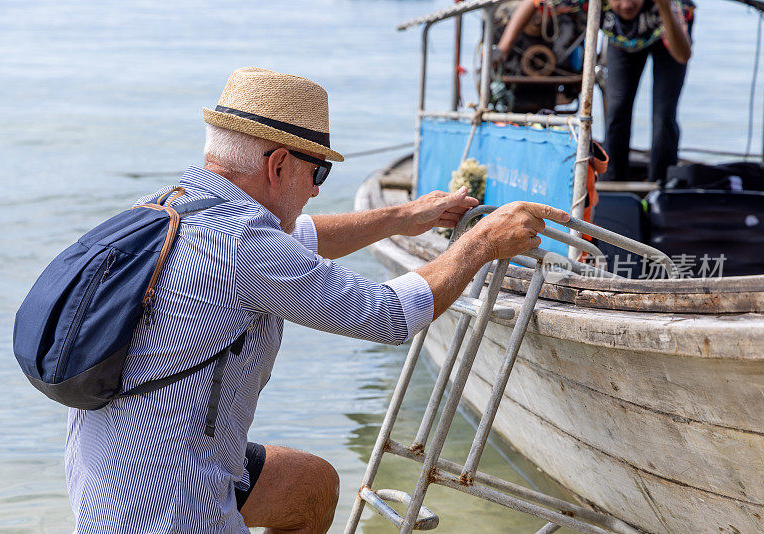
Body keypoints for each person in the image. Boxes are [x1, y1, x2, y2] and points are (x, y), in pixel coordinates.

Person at [64, 66, 569, 534]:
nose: (315, 192)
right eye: (318, 174)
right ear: (279, 164)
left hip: (105, 473)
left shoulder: (168, 208)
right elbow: (387, 315)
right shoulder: (244, 246)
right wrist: (480, 244)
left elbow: (299, 238)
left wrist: (405, 215)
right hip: (168, 507)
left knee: (310, 486)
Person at [497, 0, 695, 181]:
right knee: (617, 111)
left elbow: (683, 55)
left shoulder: (668, 5)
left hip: (669, 33)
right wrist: (502, 50)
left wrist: (665, 9)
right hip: (622, 40)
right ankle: (614, 181)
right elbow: (534, 3)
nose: (626, 5)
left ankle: (661, 183)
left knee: (664, 115)